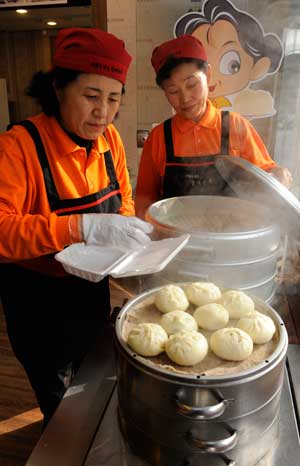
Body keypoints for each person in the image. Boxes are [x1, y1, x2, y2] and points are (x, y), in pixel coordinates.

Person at [0, 27, 153, 427]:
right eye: (90, 96)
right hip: (36, 303)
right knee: (56, 399)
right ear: (58, 88)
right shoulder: (19, 147)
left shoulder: (111, 141)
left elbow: (125, 202)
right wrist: (81, 227)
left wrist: (124, 236)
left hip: (91, 293)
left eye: (113, 98)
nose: (103, 112)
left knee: (94, 378)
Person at [135, 35, 292, 219]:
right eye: (173, 91)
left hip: (231, 239)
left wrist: (278, 176)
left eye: (192, 84)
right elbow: (144, 202)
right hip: (175, 242)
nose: (185, 99)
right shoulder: (158, 138)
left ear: (208, 75)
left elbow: (266, 178)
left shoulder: (236, 126)